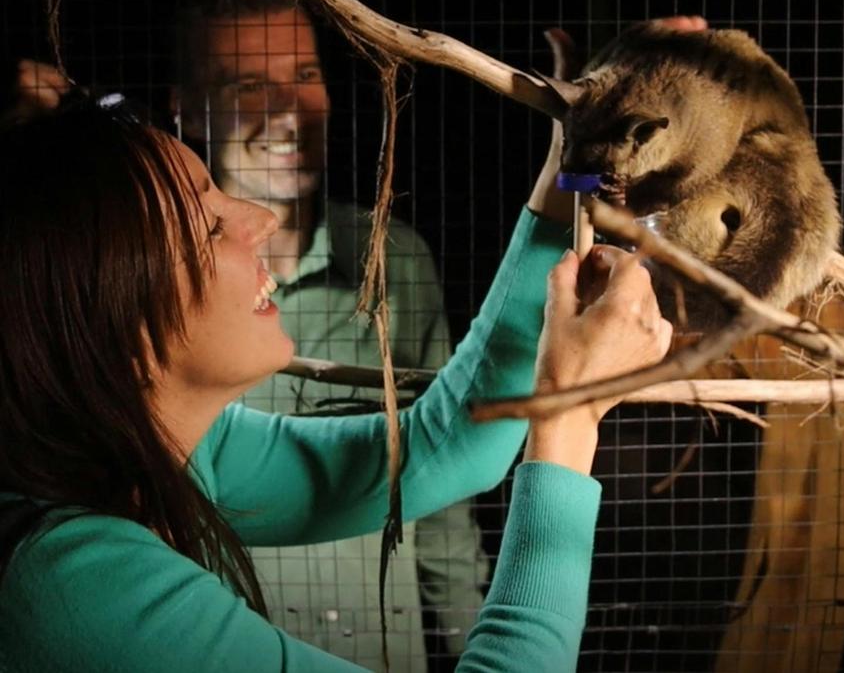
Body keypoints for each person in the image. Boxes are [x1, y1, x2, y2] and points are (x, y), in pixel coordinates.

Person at [0, 93, 673, 672]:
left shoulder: (166, 445)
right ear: (116, 327)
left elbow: (443, 447)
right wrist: (568, 413)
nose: (260, 219)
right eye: (208, 228)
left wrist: (573, 163)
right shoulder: (67, 589)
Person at [171, 0, 482, 669]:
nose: (289, 111)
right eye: (249, 85)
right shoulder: (159, 286)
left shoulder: (393, 258)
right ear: (187, 110)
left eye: (305, 74)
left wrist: (471, 643)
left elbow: (446, 486)